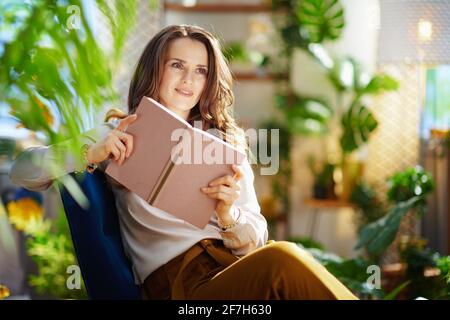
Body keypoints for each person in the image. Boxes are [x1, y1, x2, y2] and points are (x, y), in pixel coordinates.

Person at [9, 25, 358, 300]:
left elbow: (257, 239)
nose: (189, 80)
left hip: (230, 271)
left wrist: (228, 215)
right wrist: (91, 153)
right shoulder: (115, 132)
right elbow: (23, 169)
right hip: (178, 286)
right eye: (177, 65)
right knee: (284, 260)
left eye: (201, 71)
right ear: (155, 70)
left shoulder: (223, 143)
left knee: (281, 262)